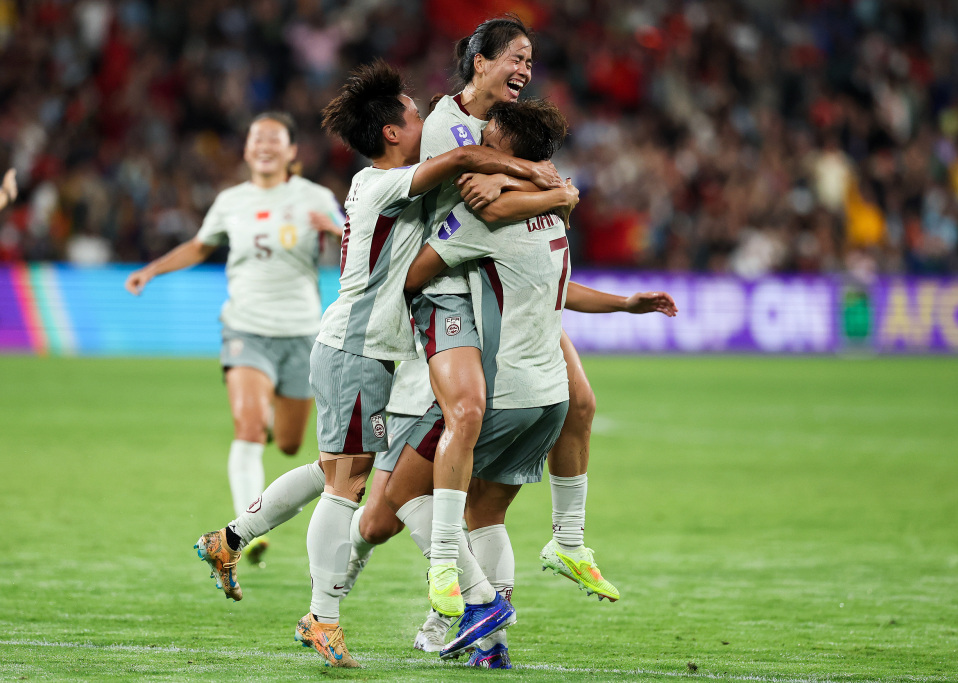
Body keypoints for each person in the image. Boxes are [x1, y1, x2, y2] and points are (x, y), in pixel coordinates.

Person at [272, 59, 561, 669]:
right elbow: (461, 160)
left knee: (361, 490)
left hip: (377, 355)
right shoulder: (382, 183)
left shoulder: (397, 184)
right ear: (391, 134)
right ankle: (325, 614)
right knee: (345, 489)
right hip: (354, 349)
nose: (424, 119)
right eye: (412, 114)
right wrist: (541, 177)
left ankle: (463, 604)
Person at [390, 99, 678, 668]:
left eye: (489, 139)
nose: (480, 145)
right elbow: (557, 288)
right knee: (486, 514)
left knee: (405, 497)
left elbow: (412, 276)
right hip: (551, 400)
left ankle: (474, 600)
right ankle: (493, 648)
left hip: (506, 393)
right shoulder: (556, 215)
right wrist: (625, 303)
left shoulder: (482, 219)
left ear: (509, 152)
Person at [411, 16, 626, 634]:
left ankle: (567, 542)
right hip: (453, 288)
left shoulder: (503, 127)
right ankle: (427, 580)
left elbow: (508, 188)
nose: (526, 70)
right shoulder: (448, 127)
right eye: (516, 57)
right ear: (480, 60)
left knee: (579, 401)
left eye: (531, 61)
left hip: (497, 277)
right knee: (433, 463)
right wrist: (552, 190)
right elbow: (485, 204)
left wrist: (535, 181)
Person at [125, 112, 345, 568]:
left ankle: (267, 419)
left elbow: (356, 240)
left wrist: (336, 230)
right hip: (245, 327)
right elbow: (200, 245)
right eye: (256, 138)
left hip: (301, 332)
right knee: (247, 427)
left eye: (274, 139)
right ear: (246, 149)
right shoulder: (231, 201)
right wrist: (152, 270)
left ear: (291, 151)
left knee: (289, 443)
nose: (264, 145)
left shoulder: (315, 197)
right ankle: (248, 530)